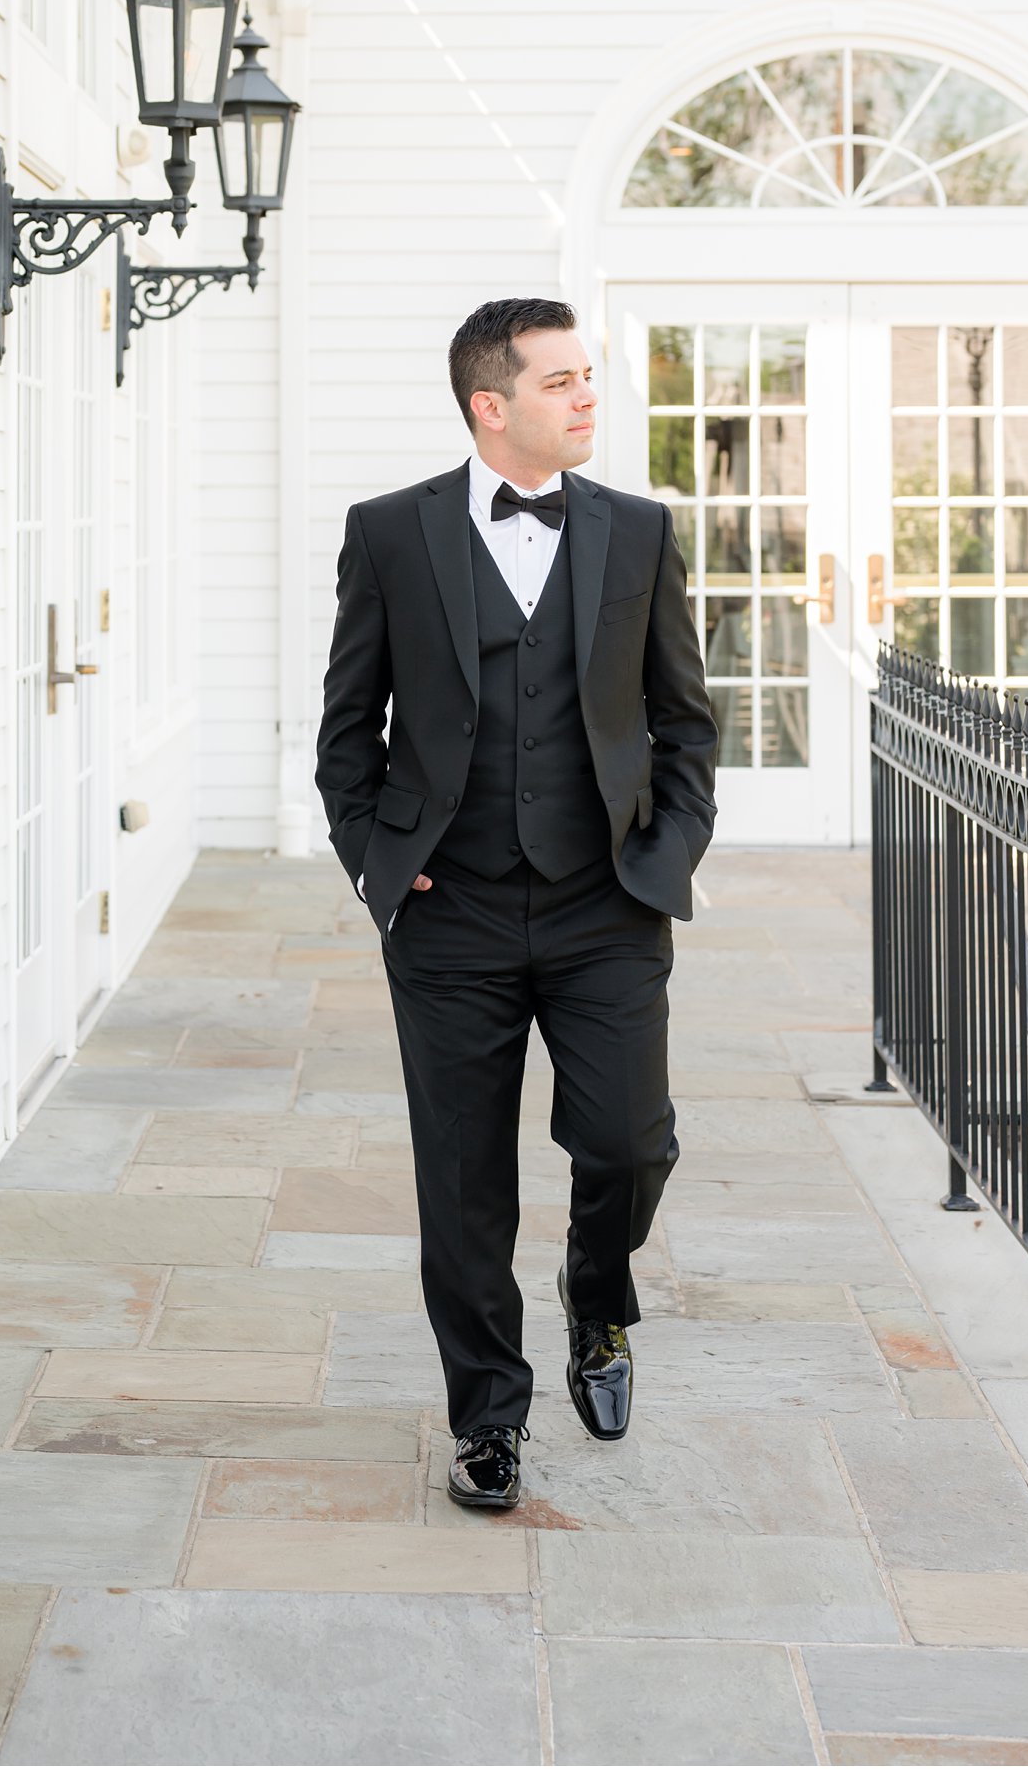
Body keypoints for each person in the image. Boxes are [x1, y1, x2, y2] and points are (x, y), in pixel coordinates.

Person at [315, 298, 717, 1510]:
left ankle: (598, 1294)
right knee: (461, 1179)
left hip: (606, 906)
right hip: (452, 916)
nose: (587, 398)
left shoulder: (637, 531)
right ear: (491, 405)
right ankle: (485, 1416)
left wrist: (665, 853)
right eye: (562, 382)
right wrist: (381, 868)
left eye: (588, 377)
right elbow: (346, 733)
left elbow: (684, 723)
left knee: (627, 1138)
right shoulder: (389, 533)